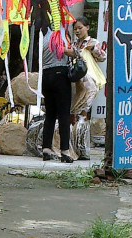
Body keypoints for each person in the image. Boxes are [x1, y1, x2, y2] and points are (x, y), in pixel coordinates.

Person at [41, 28, 76, 163]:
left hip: (45, 76)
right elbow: (70, 53)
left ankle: (46, 149)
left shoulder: (44, 35)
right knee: (63, 115)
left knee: (50, 115)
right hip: (60, 75)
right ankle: (65, 151)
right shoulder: (61, 35)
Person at [70, 16, 107, 120]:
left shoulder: (93, 42)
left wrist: (93, 49)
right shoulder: (74, 45)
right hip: (76, 77)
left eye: (80, 28)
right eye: (75, 29)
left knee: (86, 101)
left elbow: (103, 57)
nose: (77, 31)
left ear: (87, 27)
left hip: (88, 76)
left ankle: (83, 116)